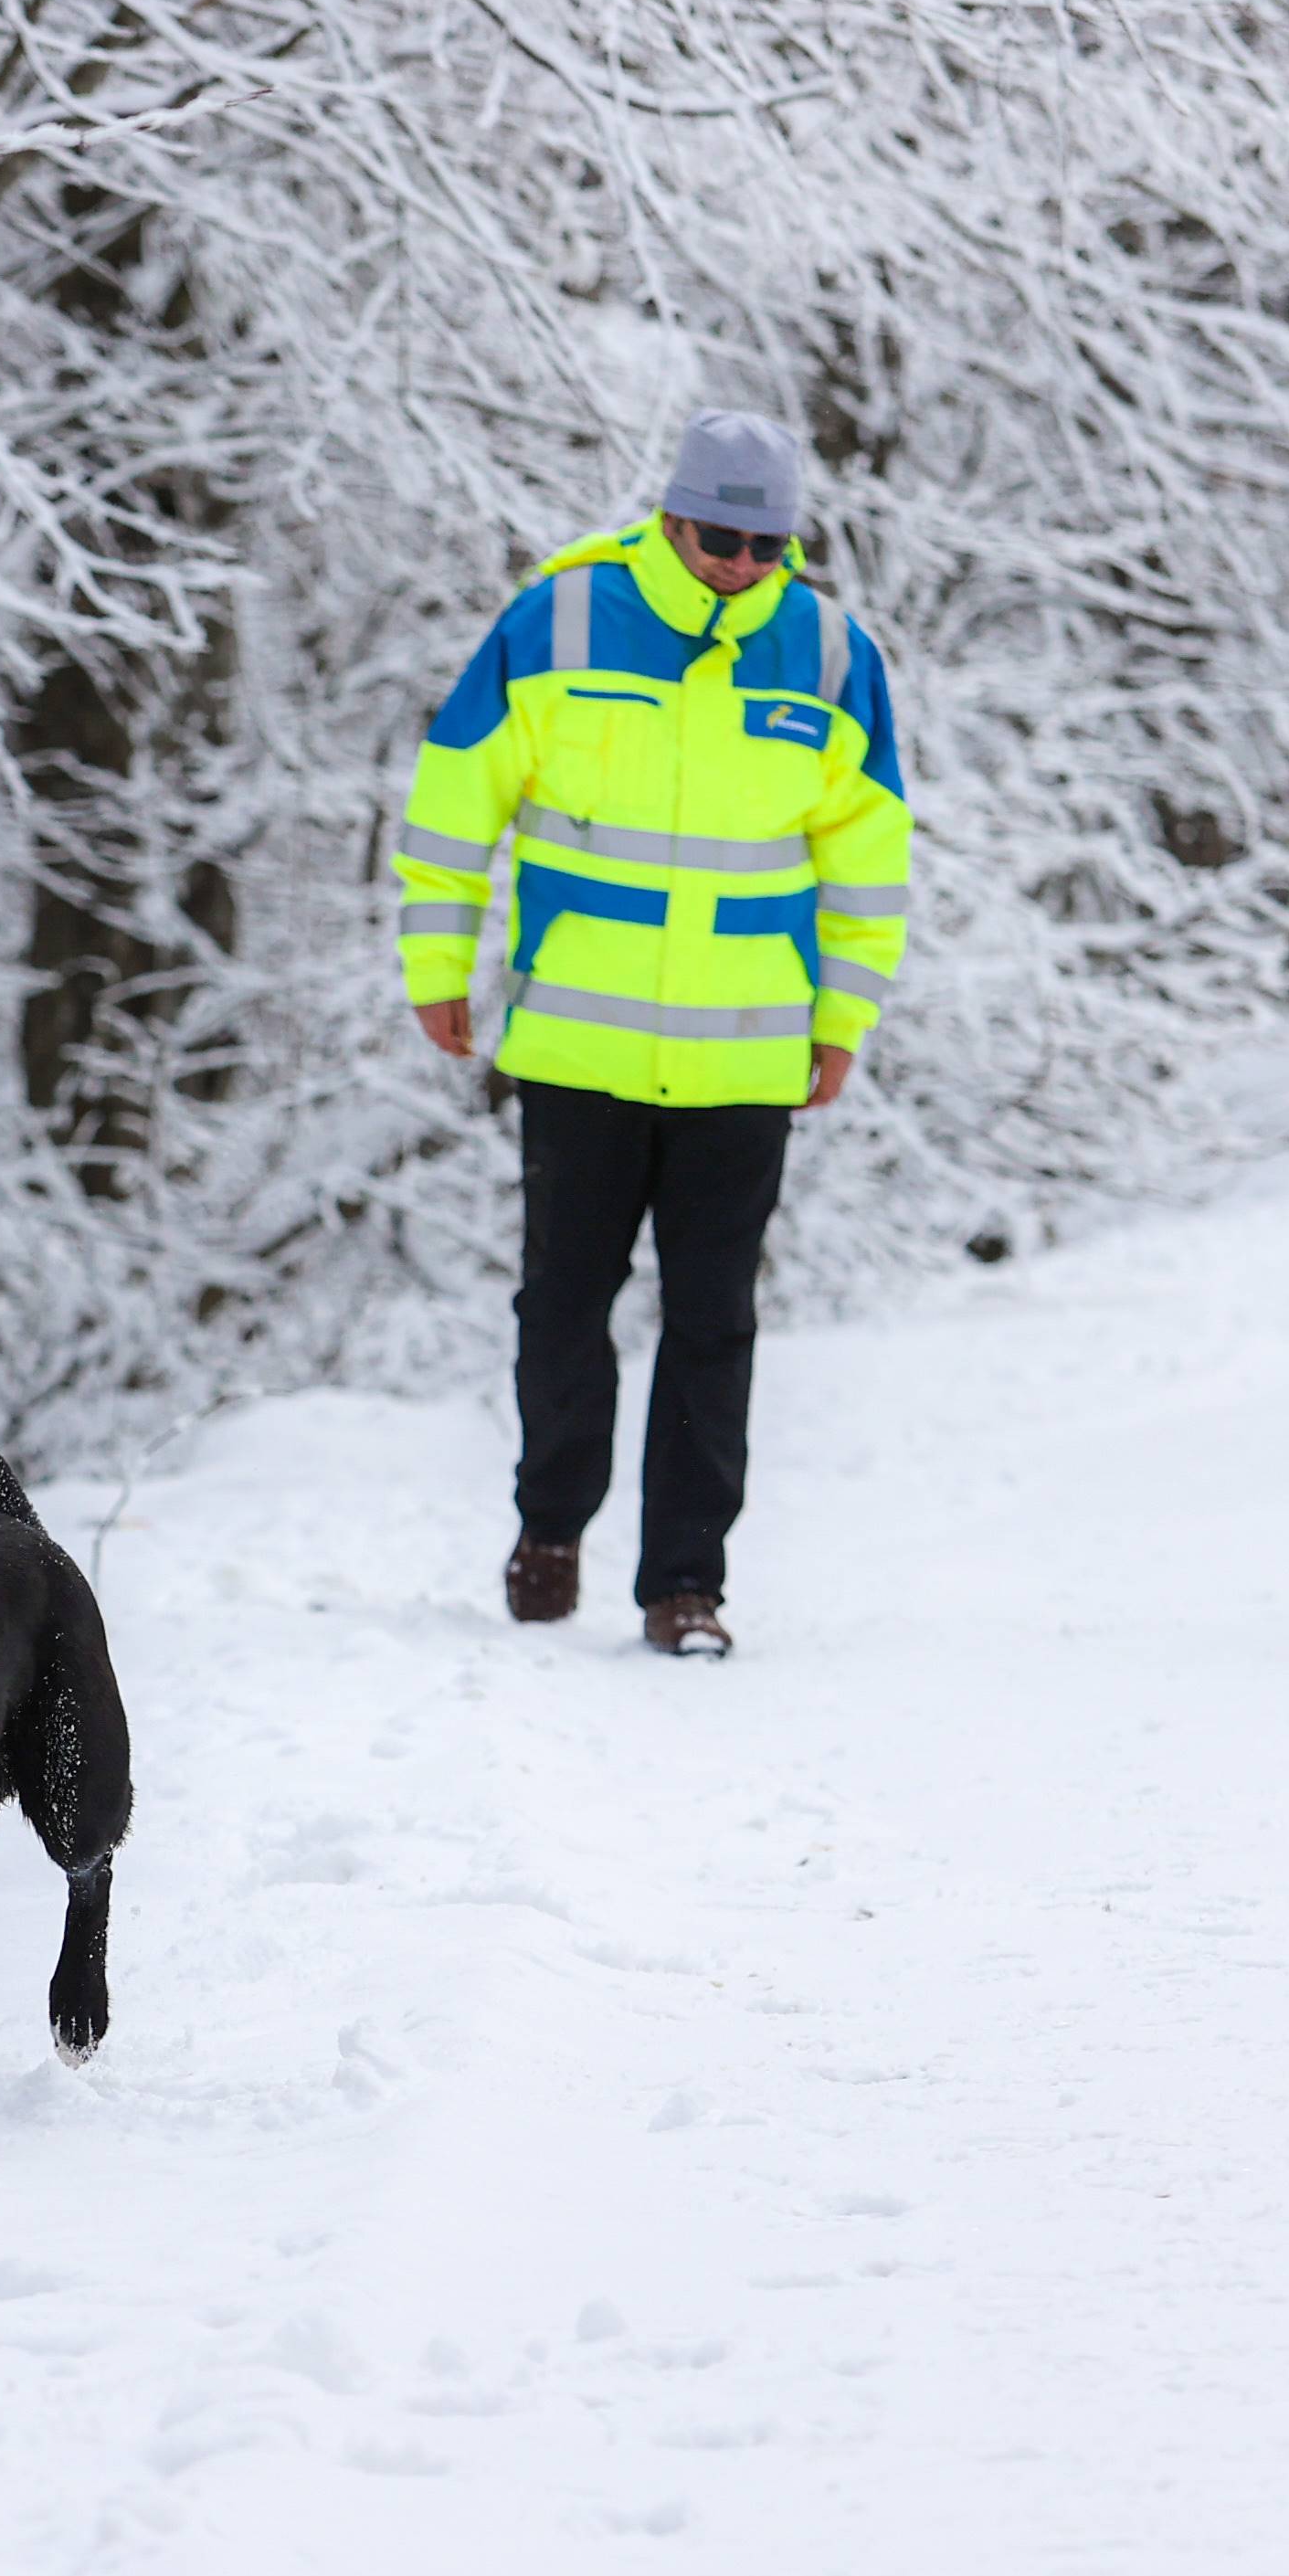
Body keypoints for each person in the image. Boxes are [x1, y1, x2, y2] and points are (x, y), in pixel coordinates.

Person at [399, 410, 913, 1659]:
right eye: (718, 537)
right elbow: (456, 793)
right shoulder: (558, 620)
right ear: (670, 517)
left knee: (714, 1321)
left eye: (764, 544)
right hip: (578, 1041)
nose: (739, 563)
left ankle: (687, 1585)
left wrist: (842, 1018)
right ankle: (552, 1527)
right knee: (564, 1307)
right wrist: (436, 959)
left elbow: (870, 856)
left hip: (746, 1051)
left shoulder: (833, 655)